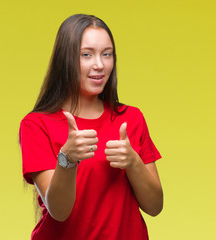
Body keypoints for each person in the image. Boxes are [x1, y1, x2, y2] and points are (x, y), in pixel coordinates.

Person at [19, 14, 163, 240]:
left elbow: (155, 206)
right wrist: (66, 159)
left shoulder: (131, 118)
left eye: (107, 54)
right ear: (64, 59)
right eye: (86, 55)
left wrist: (134, 162)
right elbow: (59, 211)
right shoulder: (36, 124)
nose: (99, 65)